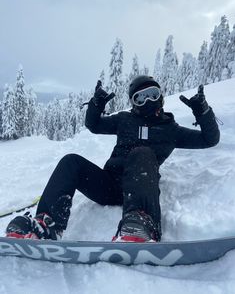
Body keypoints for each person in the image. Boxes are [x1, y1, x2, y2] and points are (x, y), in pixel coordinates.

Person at [6, 75, 220, 242]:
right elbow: (95, 125)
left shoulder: (171, 130)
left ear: (161, 97)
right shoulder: (125, 120)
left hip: (140, 188)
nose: (148, 101)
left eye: (152, 94)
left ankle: (143, 224)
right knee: (71, 161)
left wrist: (203, 112)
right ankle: (46, 224)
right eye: (141, 97)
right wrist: (96, 105)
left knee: (142, 152)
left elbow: (209, 139)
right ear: (134, 102)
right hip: (108, 185)